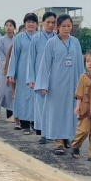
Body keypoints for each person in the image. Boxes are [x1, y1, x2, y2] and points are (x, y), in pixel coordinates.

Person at [35, 14, 84, 155]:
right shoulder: (51, 43)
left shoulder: (75, 42)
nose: (67, 29)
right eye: (64, 26)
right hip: (56, 84)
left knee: (70, 110)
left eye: (69, 26)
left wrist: (83, 84)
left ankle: (67, 136)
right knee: (56, 112)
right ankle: (58, 140)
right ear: (57, 27)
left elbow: (80, 65)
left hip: (72, 83)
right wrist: (43, 84)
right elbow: (45, 64)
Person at [28, 12, 58, 140]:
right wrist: (31, 78)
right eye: (48, 22)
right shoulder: (36, 38)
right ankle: (42, 134)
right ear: (43, 23)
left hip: (54, 77)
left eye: (53, 23)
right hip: (39, 77)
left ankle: (53, 132)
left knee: (53, 106)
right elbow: (31, 59)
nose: (51, 25)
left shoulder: (58, 38)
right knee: (40, 106)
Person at [7, 13, 38, 133]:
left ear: (36, 24)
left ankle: (35, 122)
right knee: (23, 97)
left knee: (35, 97)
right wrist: (11, 74)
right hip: (22, 71)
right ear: (25, 23)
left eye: (33, 22)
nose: (31, 24)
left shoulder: (40, 37)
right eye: (28, 22)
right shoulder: (19, 37)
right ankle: (24, 124)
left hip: (36, 72)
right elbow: (14, 56)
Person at [0, 20, 16, 121]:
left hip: (15, 70)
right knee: (2, 91)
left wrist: (14, 68)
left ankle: (10, 115)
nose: (8, 27)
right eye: (6, 25)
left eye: (10, 25)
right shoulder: (1, 40)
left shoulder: (17, 40)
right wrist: (5, 68)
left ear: (14, 27)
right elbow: (0, 55)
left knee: (12, 92)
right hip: (4, 70)